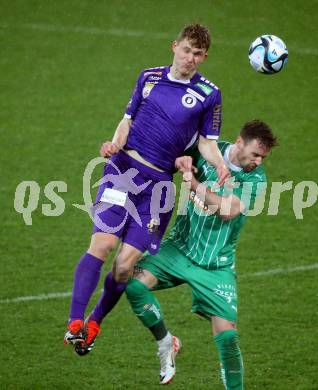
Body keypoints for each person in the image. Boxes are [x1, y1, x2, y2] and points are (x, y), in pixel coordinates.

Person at [75, 120, 277, 389]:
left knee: (228, 339)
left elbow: (228, 211)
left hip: (216, 265)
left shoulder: (255, 178)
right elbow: (159, 157)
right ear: (240, 142)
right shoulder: (207, 152)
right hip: (178, 248)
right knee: (131, 283)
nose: (258, 161)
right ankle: (166, 341)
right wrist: (117, 148)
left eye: (263, 157)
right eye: (255, 154)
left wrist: (192, 183)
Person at [64, 23, 230, 350]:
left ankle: (95, 323)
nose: (190, 58)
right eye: (186, 50)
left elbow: (208, 143)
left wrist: (220, 164)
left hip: (158, 190)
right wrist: (114, 144)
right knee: (103, 244)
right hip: (123, 170)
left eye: (197, 54)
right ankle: (74, 321)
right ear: (174, 47)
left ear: (204, 57)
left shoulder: (209, 95)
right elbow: (127, 120)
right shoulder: (149, 77)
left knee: (125, 266)